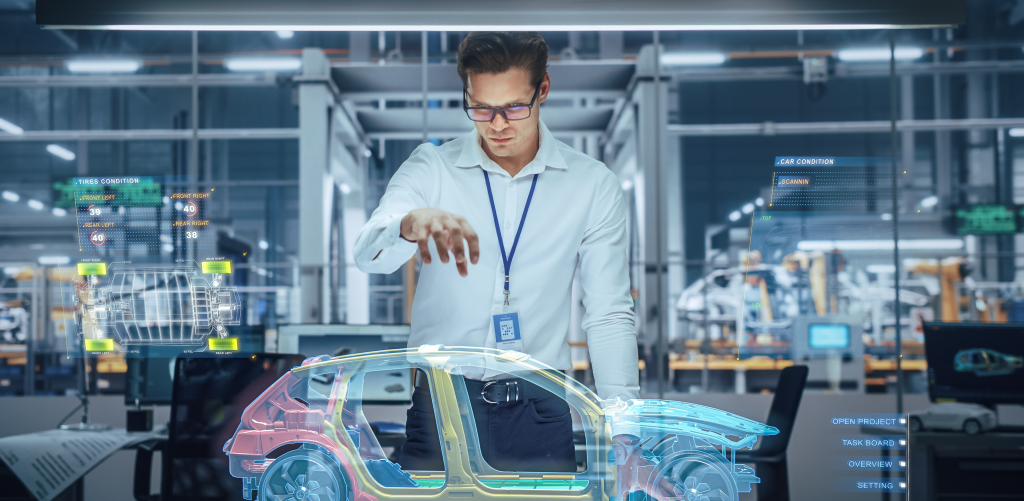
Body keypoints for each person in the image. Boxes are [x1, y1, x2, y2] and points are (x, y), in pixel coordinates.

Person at [353, 31, 638, 473]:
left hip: (541, 410)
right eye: (481, 108)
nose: (498, 124)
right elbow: (368, 255)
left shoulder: (591, 184)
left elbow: (608, 312)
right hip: (442, 406)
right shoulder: (433, 168)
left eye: (514, 107)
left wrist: (625, 433)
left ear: (543, 88)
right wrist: (408, 225)